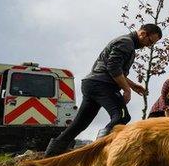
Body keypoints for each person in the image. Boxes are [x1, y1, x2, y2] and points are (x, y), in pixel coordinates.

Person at [44, 24, 162, 156]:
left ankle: (51, 155)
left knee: (79, 124)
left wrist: (133, 85)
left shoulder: (128, 44)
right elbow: (113, 67)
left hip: (93, 83)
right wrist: (126, 89)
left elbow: (117, 70)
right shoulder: (126, 43)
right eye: (150, 41)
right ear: (143, 33)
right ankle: (96, 153)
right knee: (122, 117)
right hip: (102, 84)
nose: (148, 45)